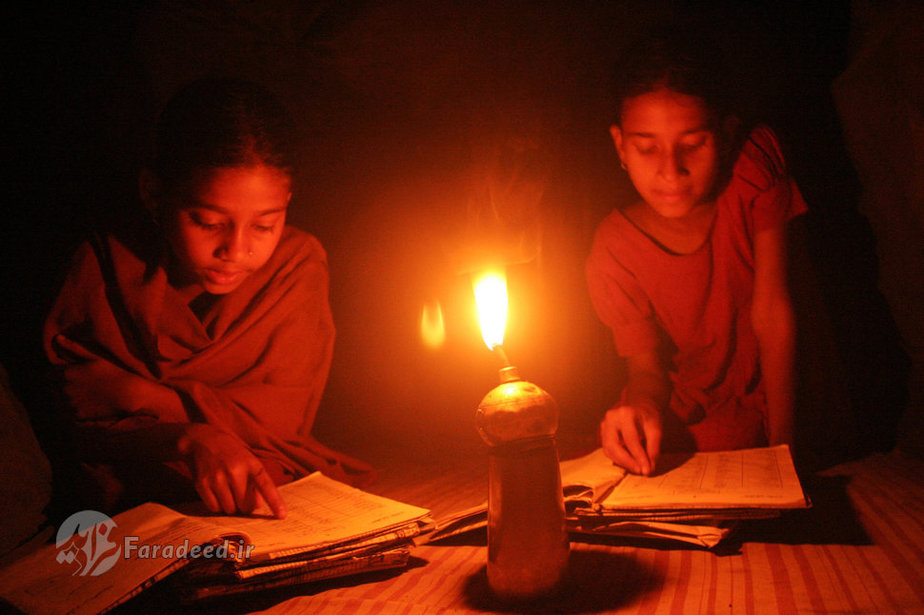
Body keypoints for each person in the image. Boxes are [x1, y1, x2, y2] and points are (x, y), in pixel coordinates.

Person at [44, 77, 373, 518]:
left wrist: (148, 397)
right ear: (153, 193)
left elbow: (279, 425)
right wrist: (188, 438)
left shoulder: (296, 267)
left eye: (264, 225)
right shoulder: (107, 265)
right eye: (207, 221)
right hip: (137, 475)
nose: (236, 251)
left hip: (264, 469)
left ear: (288, 205)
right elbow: (73, 410)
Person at [586, 32, 807, 476]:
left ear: (724, 135)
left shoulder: (751, 169)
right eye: (647, 148)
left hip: (777, 394)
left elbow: (773, 313)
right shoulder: (613, 248)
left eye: (692, 144)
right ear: (620, 146)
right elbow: (646, 370)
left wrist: (783, 456)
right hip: (695, 408)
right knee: (623, 437)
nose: (671, 170)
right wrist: (644, 409)